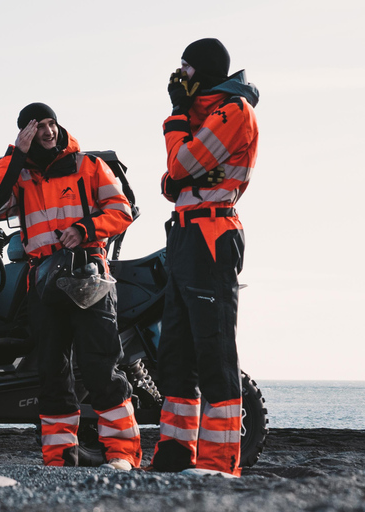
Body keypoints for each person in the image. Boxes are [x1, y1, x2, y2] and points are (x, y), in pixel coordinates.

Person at [0, 103, 140, 469]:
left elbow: (122, 211)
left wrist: (83, 229)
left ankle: (123, 456)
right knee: (52, 371)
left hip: (90, 278)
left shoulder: (89, 166)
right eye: (38, 128)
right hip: (45, 283)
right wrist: (14, 155)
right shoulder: (20, 176)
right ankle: (59, 458)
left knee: (100, 367)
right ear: (27, 135)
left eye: (51, 124)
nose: (48, 132)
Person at [149, 38, 259, 478]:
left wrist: (176, 116)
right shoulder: (207, 114)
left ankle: (218, 462)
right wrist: (181, 168)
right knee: (175, 349)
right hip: (186, 233)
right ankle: (177, 455)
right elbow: (172, 181)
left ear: (205, 69)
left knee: (214, 348)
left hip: (213, 234)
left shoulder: (233, 111)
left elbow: (180, 166)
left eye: (186, 67)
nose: (180, 76)